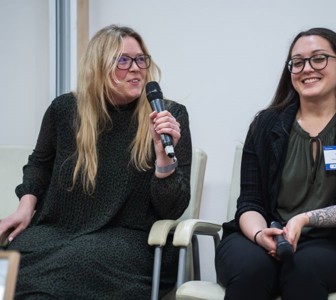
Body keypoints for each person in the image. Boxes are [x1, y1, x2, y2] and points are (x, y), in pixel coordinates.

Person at [0, 24, 192, 299]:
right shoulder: (64, 110)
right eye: (123, 60)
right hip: (59, 230)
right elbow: (39, 165)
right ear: (98, 67)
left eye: (140, 59)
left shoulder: (169, 116)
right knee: (12, 260)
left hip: (130, 239)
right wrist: (24, 207)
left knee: (79, 260)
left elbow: (172, 208)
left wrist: (163, 160)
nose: (136, 68)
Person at [215, 27, 336, 300]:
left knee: (302, 269)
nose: (307, 68)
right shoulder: (266, 124)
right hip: (265, 233)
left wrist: (304, 219)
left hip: (334, 242)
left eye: (319, 58)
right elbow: (250, 201)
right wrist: (259, 235)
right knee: (251, 268)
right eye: (297, 62)